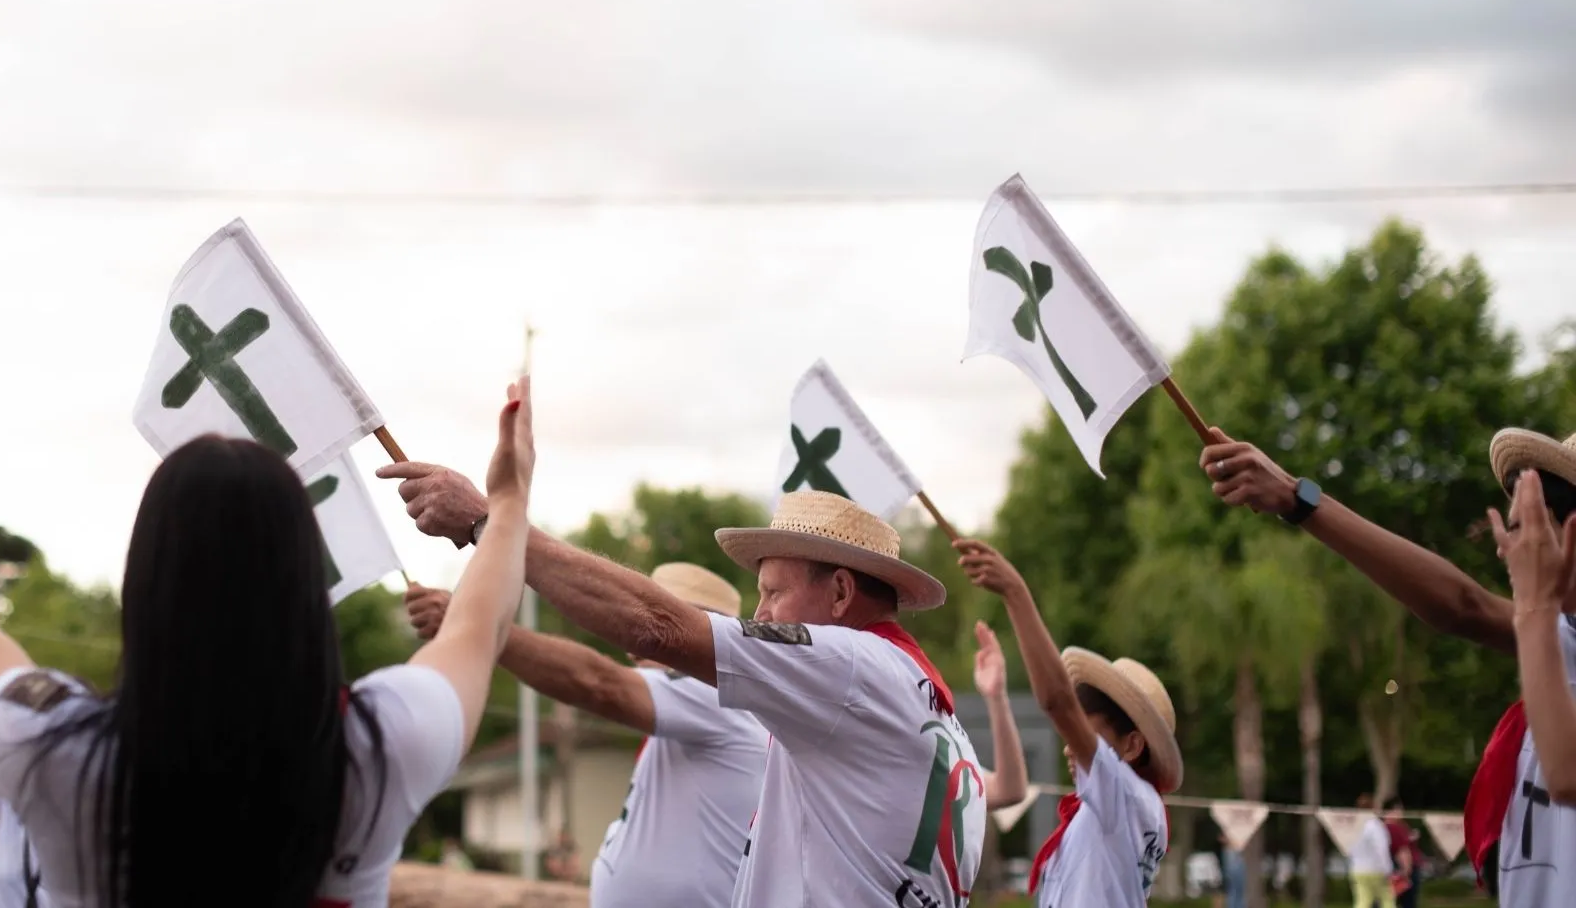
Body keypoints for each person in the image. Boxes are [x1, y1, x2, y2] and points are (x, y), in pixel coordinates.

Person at [0, 372, 536, 907]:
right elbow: (480, 629)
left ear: (146, 583)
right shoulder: (384, 746)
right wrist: (506, 503)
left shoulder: (57, 753)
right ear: (305, 583)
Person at [380, 468, 996, 908]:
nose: (760, 617)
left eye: (774, 593)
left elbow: (656, 630)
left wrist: (494, 526)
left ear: (839, 593)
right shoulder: (919, 701)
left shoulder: (850, 669)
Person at [1200, 425, 1576, 902]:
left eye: (1524, 529)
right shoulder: (1556, 633)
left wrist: (1536, 612)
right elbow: (1463, 606)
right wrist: (1297, 500)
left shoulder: (1544, 626)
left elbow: (1568, 775)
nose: (1505, 548)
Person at [405, 561, 766, 908]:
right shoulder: (701, 708)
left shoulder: (716, 695)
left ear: (694, 631)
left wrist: (479, 625)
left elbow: (598, 683)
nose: (631, 649)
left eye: (651, 632)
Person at [956, 538, 1177, 907]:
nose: (1069, 745)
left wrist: (1015, 592)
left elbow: (1057, 702)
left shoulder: (1124, 797)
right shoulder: (1120, 808)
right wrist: (996, 697)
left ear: (1133, 745)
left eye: (1087, 734)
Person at [1349, 795, 1394, 908]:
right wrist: (1388, 868)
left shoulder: (1354, 826)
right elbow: (1382, 847)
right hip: (1376, 869)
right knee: (1387, 898)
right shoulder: (1375, 825)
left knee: (1363, 901)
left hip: (1358, 869)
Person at [1382, 795, 1421, 908]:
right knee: (1406, 902)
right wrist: (1406, 871)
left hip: (1400, 868)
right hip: (1404, 869)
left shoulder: (1400, 825)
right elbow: (1402, 851)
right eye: (1399, 808)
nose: (1402, 812)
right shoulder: (1393, 827)